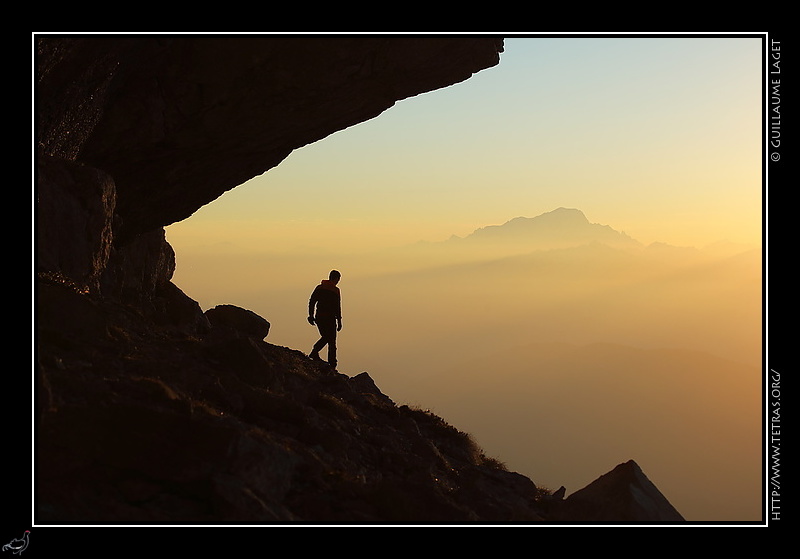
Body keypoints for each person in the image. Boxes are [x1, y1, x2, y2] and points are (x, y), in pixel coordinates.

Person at [308, 270, 342, 369]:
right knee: (331, 340)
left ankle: (316, 353)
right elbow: (337, 307)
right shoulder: (336, 291)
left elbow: (312, 301)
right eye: (338, 279)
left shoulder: (319, 287)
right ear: (336, 279)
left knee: (326, 337)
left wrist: (310, 315)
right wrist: (339, 321)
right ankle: (331, 364)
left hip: (319, 317)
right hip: (330, 318)